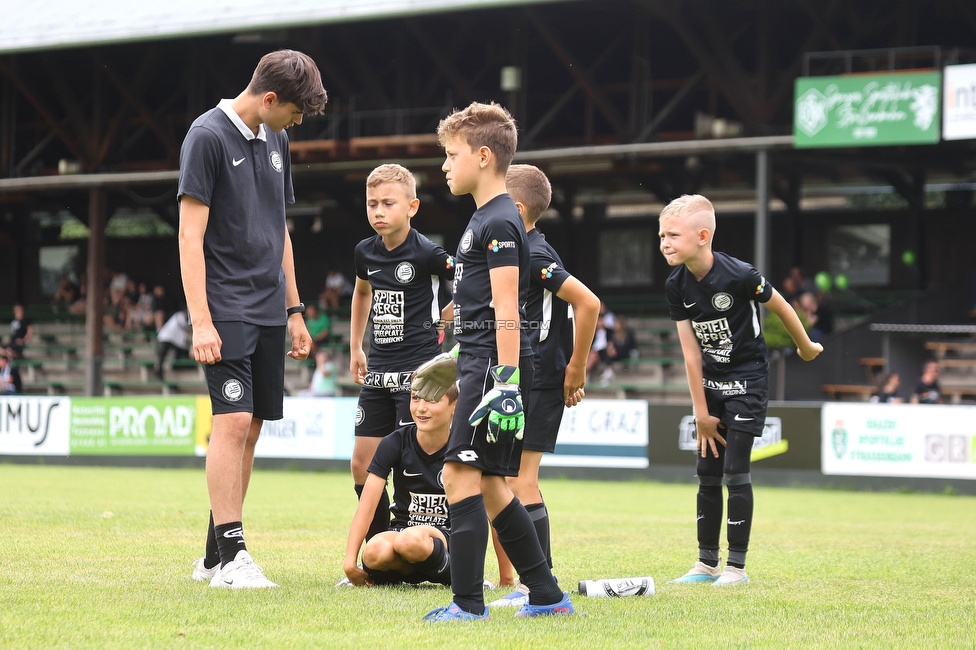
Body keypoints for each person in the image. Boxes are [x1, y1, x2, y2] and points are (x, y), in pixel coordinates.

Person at [179, 49, 328, 589]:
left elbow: (280, 227)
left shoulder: (277, 138)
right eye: (294, 112)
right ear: (269, 98)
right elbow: (189, 235)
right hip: (225, 307)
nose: (297, 123)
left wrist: (294, 310)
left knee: (253, 428)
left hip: (270, 308)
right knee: (233, 421)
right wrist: (200, 321)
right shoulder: (206, 136)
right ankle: (236, 557)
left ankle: (214, 556)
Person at [421, 101, 572, 622]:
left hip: (496, 367)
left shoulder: (502, 219)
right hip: (481, 360)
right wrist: (457, 353)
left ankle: (468, 604)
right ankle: (547, 595)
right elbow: (485, 307)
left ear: (483, 156)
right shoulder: (485, 217)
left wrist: (504, 380)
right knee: (487, 483)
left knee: (458, 475)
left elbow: (508, 306)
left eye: (451, 154)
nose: (444, 165)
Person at [659, 194, 822, 587]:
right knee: (706, 471)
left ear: (702, 236)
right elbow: (690, 353)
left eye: (673, 235)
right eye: (661, 235)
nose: (664, 242)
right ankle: (706, 564)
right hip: (710, 387)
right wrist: (700, 411)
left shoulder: (741, 275)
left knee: (735, 469)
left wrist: (805, 346)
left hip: (748, 381)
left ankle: (736, 568)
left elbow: (782, 307)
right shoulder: (676, 285)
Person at [486, 164, 600, 606]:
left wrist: (577, 368)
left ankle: (540, 585)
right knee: (509, 477)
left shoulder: (535, 253)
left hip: (541, 376)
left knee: (519, 480)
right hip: (531, 374)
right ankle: (534, 582)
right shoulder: (523, 248)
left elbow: (588, 303)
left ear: (515, 208)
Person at [348, 163, 455, 545]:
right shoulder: (365, 252)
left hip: (418, 376)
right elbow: (362, 293)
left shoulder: (428, 252)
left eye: (388, 204)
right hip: (377, 373)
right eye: (372, 203)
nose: (378, 211)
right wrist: (355, 345)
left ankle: (440, 543)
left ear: (411, 207)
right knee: (362, 464)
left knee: (415, 464)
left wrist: (449, 314)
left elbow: (469, 281)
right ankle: (380, 547)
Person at [341, 382, 458, 587]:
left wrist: (505, 576)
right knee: (374, 551)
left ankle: (460, 573)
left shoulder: (463, 446)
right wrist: (350, 563)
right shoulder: (394, 442)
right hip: (403, 532)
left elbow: (490, 512)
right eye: (415, 398)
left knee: (411, 540)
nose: (421, 407)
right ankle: (404, 574)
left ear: (454, 406)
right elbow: (366, 508)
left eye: (432, 399)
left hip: (446, 535)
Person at [156, 308, 192, 380]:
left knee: (179, 352)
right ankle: (159, 371)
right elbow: (184, 326)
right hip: (166, 337)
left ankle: (175, 367)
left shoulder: (184, 319)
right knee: (162, 355)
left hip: (173, 340)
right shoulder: (179, 315)